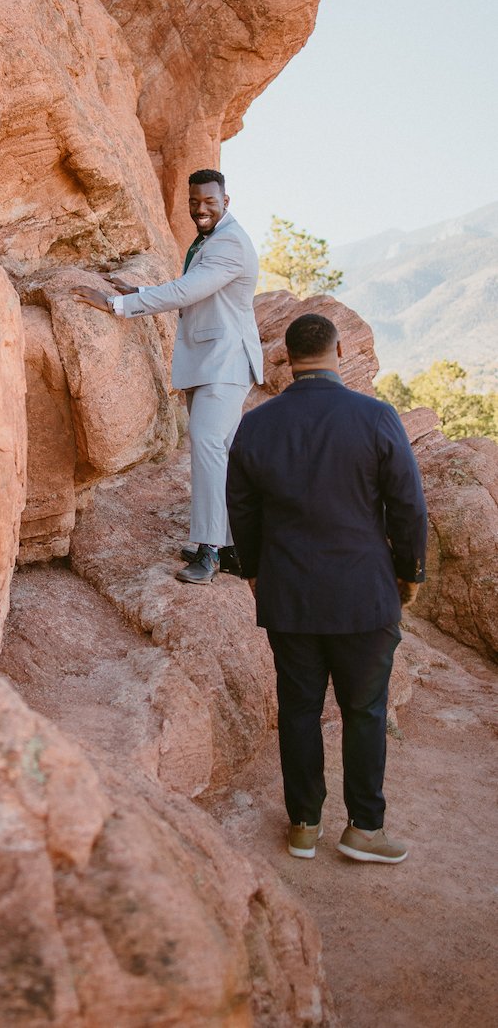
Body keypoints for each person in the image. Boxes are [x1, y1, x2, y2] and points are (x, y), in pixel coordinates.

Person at [226, 312, 427, 864]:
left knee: (298, 710)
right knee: (364, 711)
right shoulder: (376, 416)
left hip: (289, 594)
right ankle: (364, 828)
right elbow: (408, 505)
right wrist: (410, 575)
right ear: (337, 351)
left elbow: (240, 508)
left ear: (286, 358)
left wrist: (254, 572)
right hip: (365, 595)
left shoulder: (256, 425)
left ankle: (305, 825)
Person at [73, 168, 263, 583]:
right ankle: (232, 549)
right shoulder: (212, 239)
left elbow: (186, 292)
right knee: (222, 454)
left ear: (226, 202)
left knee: (209, 445)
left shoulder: (230, 242)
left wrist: (114, 305)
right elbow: (192, 286)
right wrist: (135, 293)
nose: (201, 209)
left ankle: (209, 552)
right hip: (214, 361)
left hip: (226, 362)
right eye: (195, 202)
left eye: (210, 202)